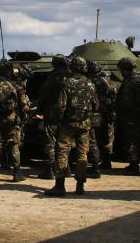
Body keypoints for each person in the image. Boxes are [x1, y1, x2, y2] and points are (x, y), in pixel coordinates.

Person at [45, 56, 98, 197]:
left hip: (68, 124)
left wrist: (58, 120)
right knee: (82, 153)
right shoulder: (91, 84)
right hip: (85, 125)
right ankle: (80, 186)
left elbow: (61, 106)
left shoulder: (67, 83)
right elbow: (95, 105)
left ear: (72, 67)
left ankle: (60, 185)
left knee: (63, 152)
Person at [36, 55, 70, 179]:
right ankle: (65, 168)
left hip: (52, 113)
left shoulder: (53, 76)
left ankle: (49, 170)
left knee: (50, 141)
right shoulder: (71, 76)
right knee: (65, 142)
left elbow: (44, 93)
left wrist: (40, 108)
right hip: (67, 114)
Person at [115, 56, 140, 175]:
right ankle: (133, 165)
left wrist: (116, 106)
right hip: (138, 115)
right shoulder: (139, 80)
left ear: (124, 69)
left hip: (130, 117)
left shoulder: (129, 81)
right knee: (134, 140)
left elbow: (126, 102)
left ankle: (134, 166)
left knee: (131, 142)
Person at [87, 59, 116, 176]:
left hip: (97, 113)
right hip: (107, 113)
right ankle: (107, 161)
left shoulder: (93, 81)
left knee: (94, 139)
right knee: (106, 138)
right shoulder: (106, 79)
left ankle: (95, 167)